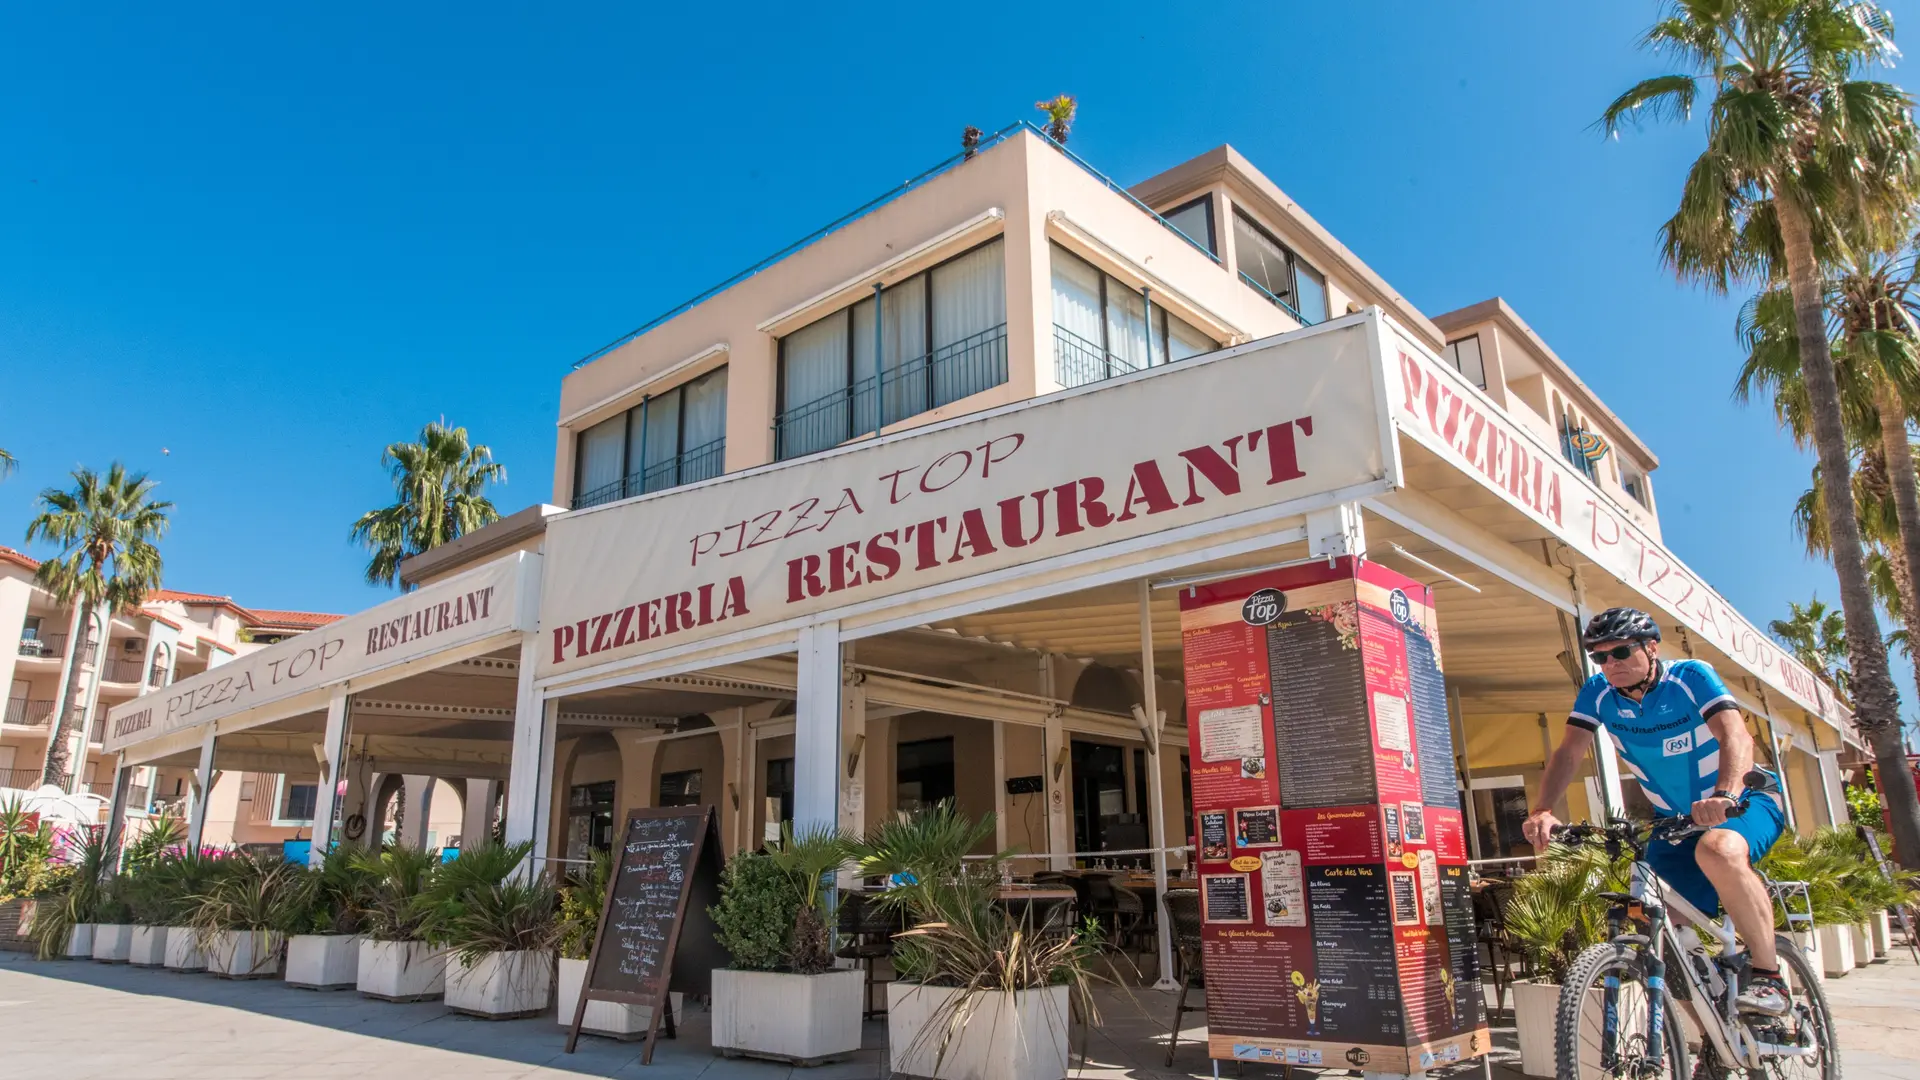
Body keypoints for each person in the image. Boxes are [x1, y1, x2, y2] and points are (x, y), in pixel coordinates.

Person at [1522, 607, 1790, 1016]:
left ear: (1651, 647)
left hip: (1742, 803)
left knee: (1717, 849)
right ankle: (1712, 1046)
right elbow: (1570, 751)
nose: (1612, 664)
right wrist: (1542, 809)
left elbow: (1735, 735)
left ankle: (1769, 976)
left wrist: (1725, 794)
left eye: (1623, 652)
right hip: (1674, 822)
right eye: (1601, 656)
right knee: (1658, 928)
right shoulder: (1597, 693)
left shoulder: (1691, 678)